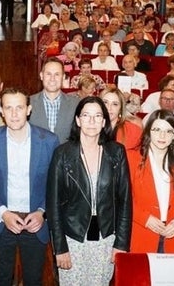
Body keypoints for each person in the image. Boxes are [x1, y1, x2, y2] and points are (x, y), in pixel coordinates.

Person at [0, 88, 59, 286]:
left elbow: (56, 185)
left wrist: (42, 212)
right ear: (2, 112)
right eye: (8, 108)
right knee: (2, 279)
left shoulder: (49, 141)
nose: (14, 114)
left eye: (19, 107)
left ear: (28, 109)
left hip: (35, 221)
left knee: (33, 280)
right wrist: (3, 213)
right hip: (2, 220)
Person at [45, 96, 130, 285]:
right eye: (86, 115)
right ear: (77, 120)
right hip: (72, 238)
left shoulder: (117, 152)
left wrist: (121, 244)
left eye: (97, 116)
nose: (92, 121)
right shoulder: (62, 154)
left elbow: (125, 201)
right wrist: (59, 247)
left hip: (107, 238)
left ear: (104, 121)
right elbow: (53, 205)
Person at [128, 110, 174, 254]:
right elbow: (123, 198)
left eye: (168, 131)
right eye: (157, 129)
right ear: (148, 131)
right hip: (141, 233)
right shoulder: (131, 158)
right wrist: (145, 219)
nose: (162, 136)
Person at [29, 58, 79, 142]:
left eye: (57, 74)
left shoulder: (76, 104)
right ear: (41, 75)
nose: (52, 78)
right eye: (48, 74)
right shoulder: (28, 103)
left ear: (63, 77)